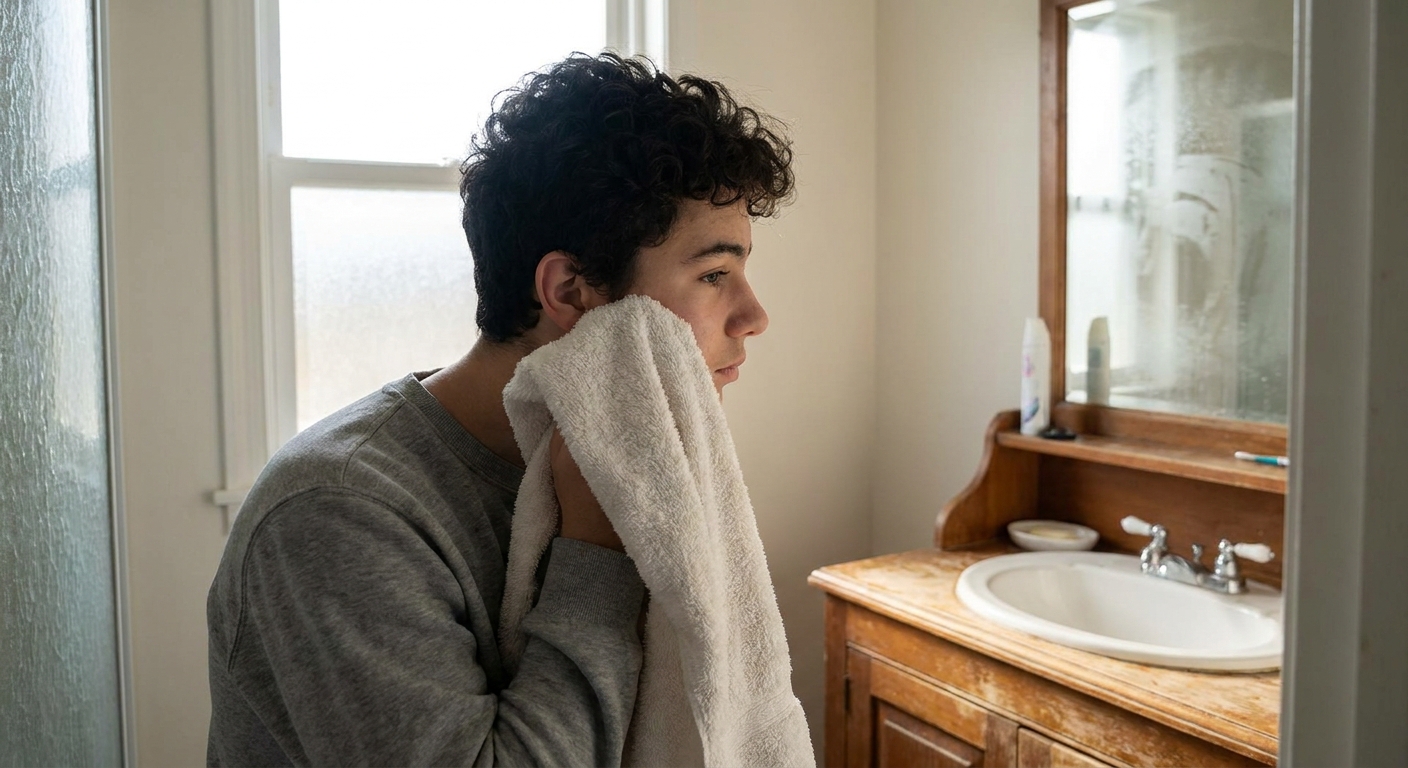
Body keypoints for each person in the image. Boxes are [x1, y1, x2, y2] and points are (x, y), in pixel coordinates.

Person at [206, 52, 794, 766]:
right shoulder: (335, 513)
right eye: (714, 274)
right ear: (573, 292)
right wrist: (593, 553)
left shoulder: (646, 470)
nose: (754, 316)